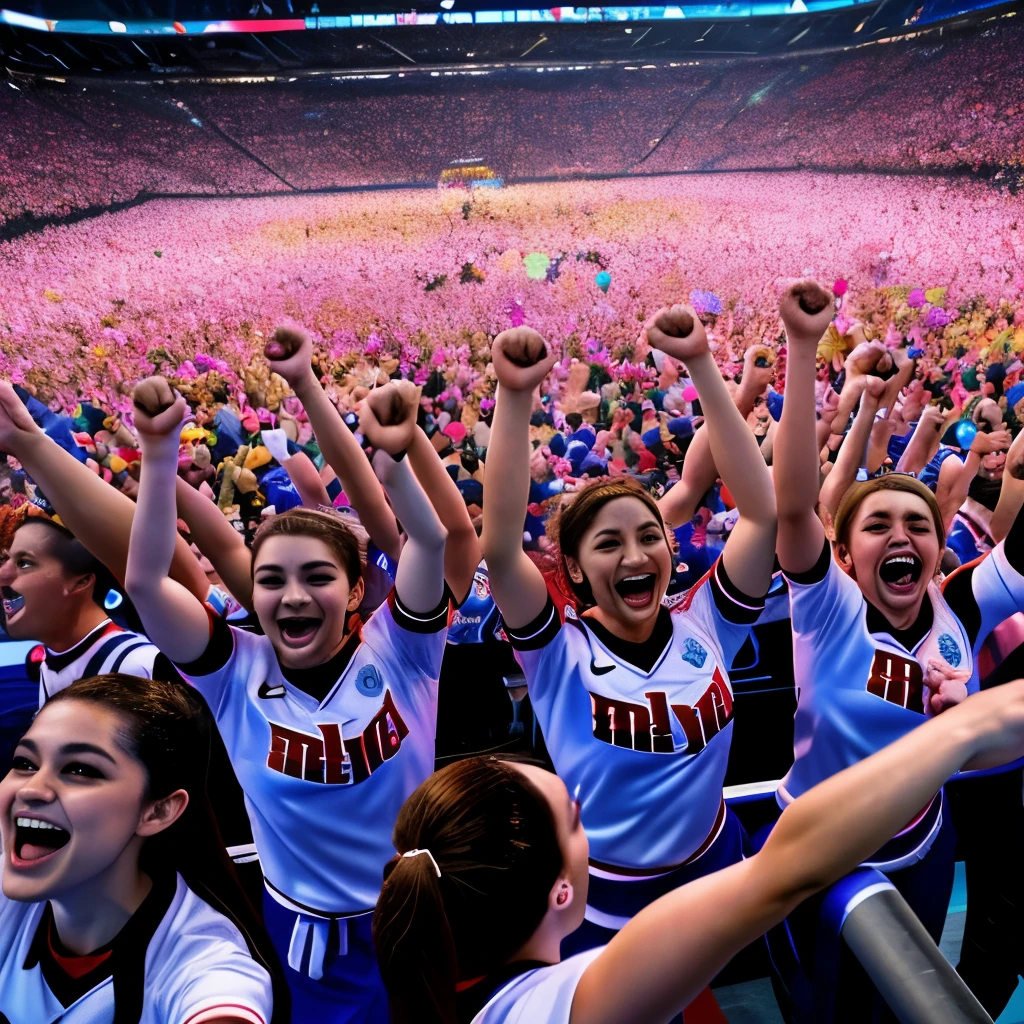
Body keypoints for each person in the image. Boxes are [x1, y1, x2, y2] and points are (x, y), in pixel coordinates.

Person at [372, 679, 1024, 1024]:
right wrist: (965, 730)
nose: (585, 822)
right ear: (560, 891)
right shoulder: (560, 1005)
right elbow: (784, 871)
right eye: (576, 819)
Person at [125, 370, 450, 1024]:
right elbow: (145, 582)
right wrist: (158, 455)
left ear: (356, 592)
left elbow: (432, 540)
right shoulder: (230, 671)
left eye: (318, 576)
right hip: (311, 943)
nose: (294, 595)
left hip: (419, 915)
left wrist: (393, 462)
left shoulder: (405, 651)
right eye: (271, 579)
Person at [480, 309, 777, 959]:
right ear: (577, 569)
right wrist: (513, 395)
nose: (637, 555)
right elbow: (500, 550)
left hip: (719, 870)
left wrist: (702, 364)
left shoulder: (707, 621)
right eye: (609, 543)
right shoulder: (559, 654)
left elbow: (762, 512)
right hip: (610, 905)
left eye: (649, 537)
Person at [771, 278, 1024, 1017]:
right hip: (818, 847)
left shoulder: (961, 603)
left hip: (922, 840)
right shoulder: (825, 606)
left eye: (917, 523)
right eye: (877, 524)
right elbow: (792, 503)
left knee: (905, 999)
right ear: (844, 553)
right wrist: (802, 348)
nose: (902, 535)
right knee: (824, 1006)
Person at [0, 673, 282, 1024]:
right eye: (25, 763)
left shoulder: (205, 966)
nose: (30, 789)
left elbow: (223, 1004)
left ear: (159, 810)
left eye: (80, 769)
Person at [0, 516, 172, 704]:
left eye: (24, 563)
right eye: (5, 559)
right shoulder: (53, 659)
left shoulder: (137, 665)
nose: (3, 574)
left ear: (81, 582)